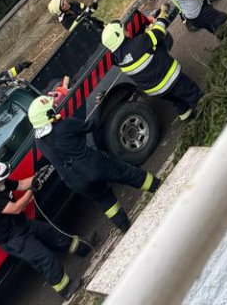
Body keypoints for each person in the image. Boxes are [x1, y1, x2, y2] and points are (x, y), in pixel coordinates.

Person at [28, 94, 160, 233]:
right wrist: (98, 106)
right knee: (127, 173)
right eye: (52, 107)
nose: (55, 106)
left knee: (104, 199)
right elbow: (92, 125)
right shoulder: (65, 125)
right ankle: (156, 186)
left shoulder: (39, 142)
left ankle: (123, 225)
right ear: (48, 115)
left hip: (75, 182)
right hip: (94, 165)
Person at [0, 159, 92, 298]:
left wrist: (36, 177)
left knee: (54, 234)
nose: (5, 179)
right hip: (13, 239)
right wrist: (32, 190)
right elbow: (16, 208)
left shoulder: (0, 184)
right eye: (2, 177)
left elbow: (21, 184)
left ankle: (84, 247)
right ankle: (65, 289)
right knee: (45, 258)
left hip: (22, 224)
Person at [103, 13, 202, 121]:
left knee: (177, 99)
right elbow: (159, 33)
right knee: (192, 93)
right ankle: (204, 109)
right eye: (124, 30)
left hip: (156, 91)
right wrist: (162, 17)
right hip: (170, 79)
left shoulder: (119, 61)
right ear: (120, 36)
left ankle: (185, 113)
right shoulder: (140, 42)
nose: (127, 30)